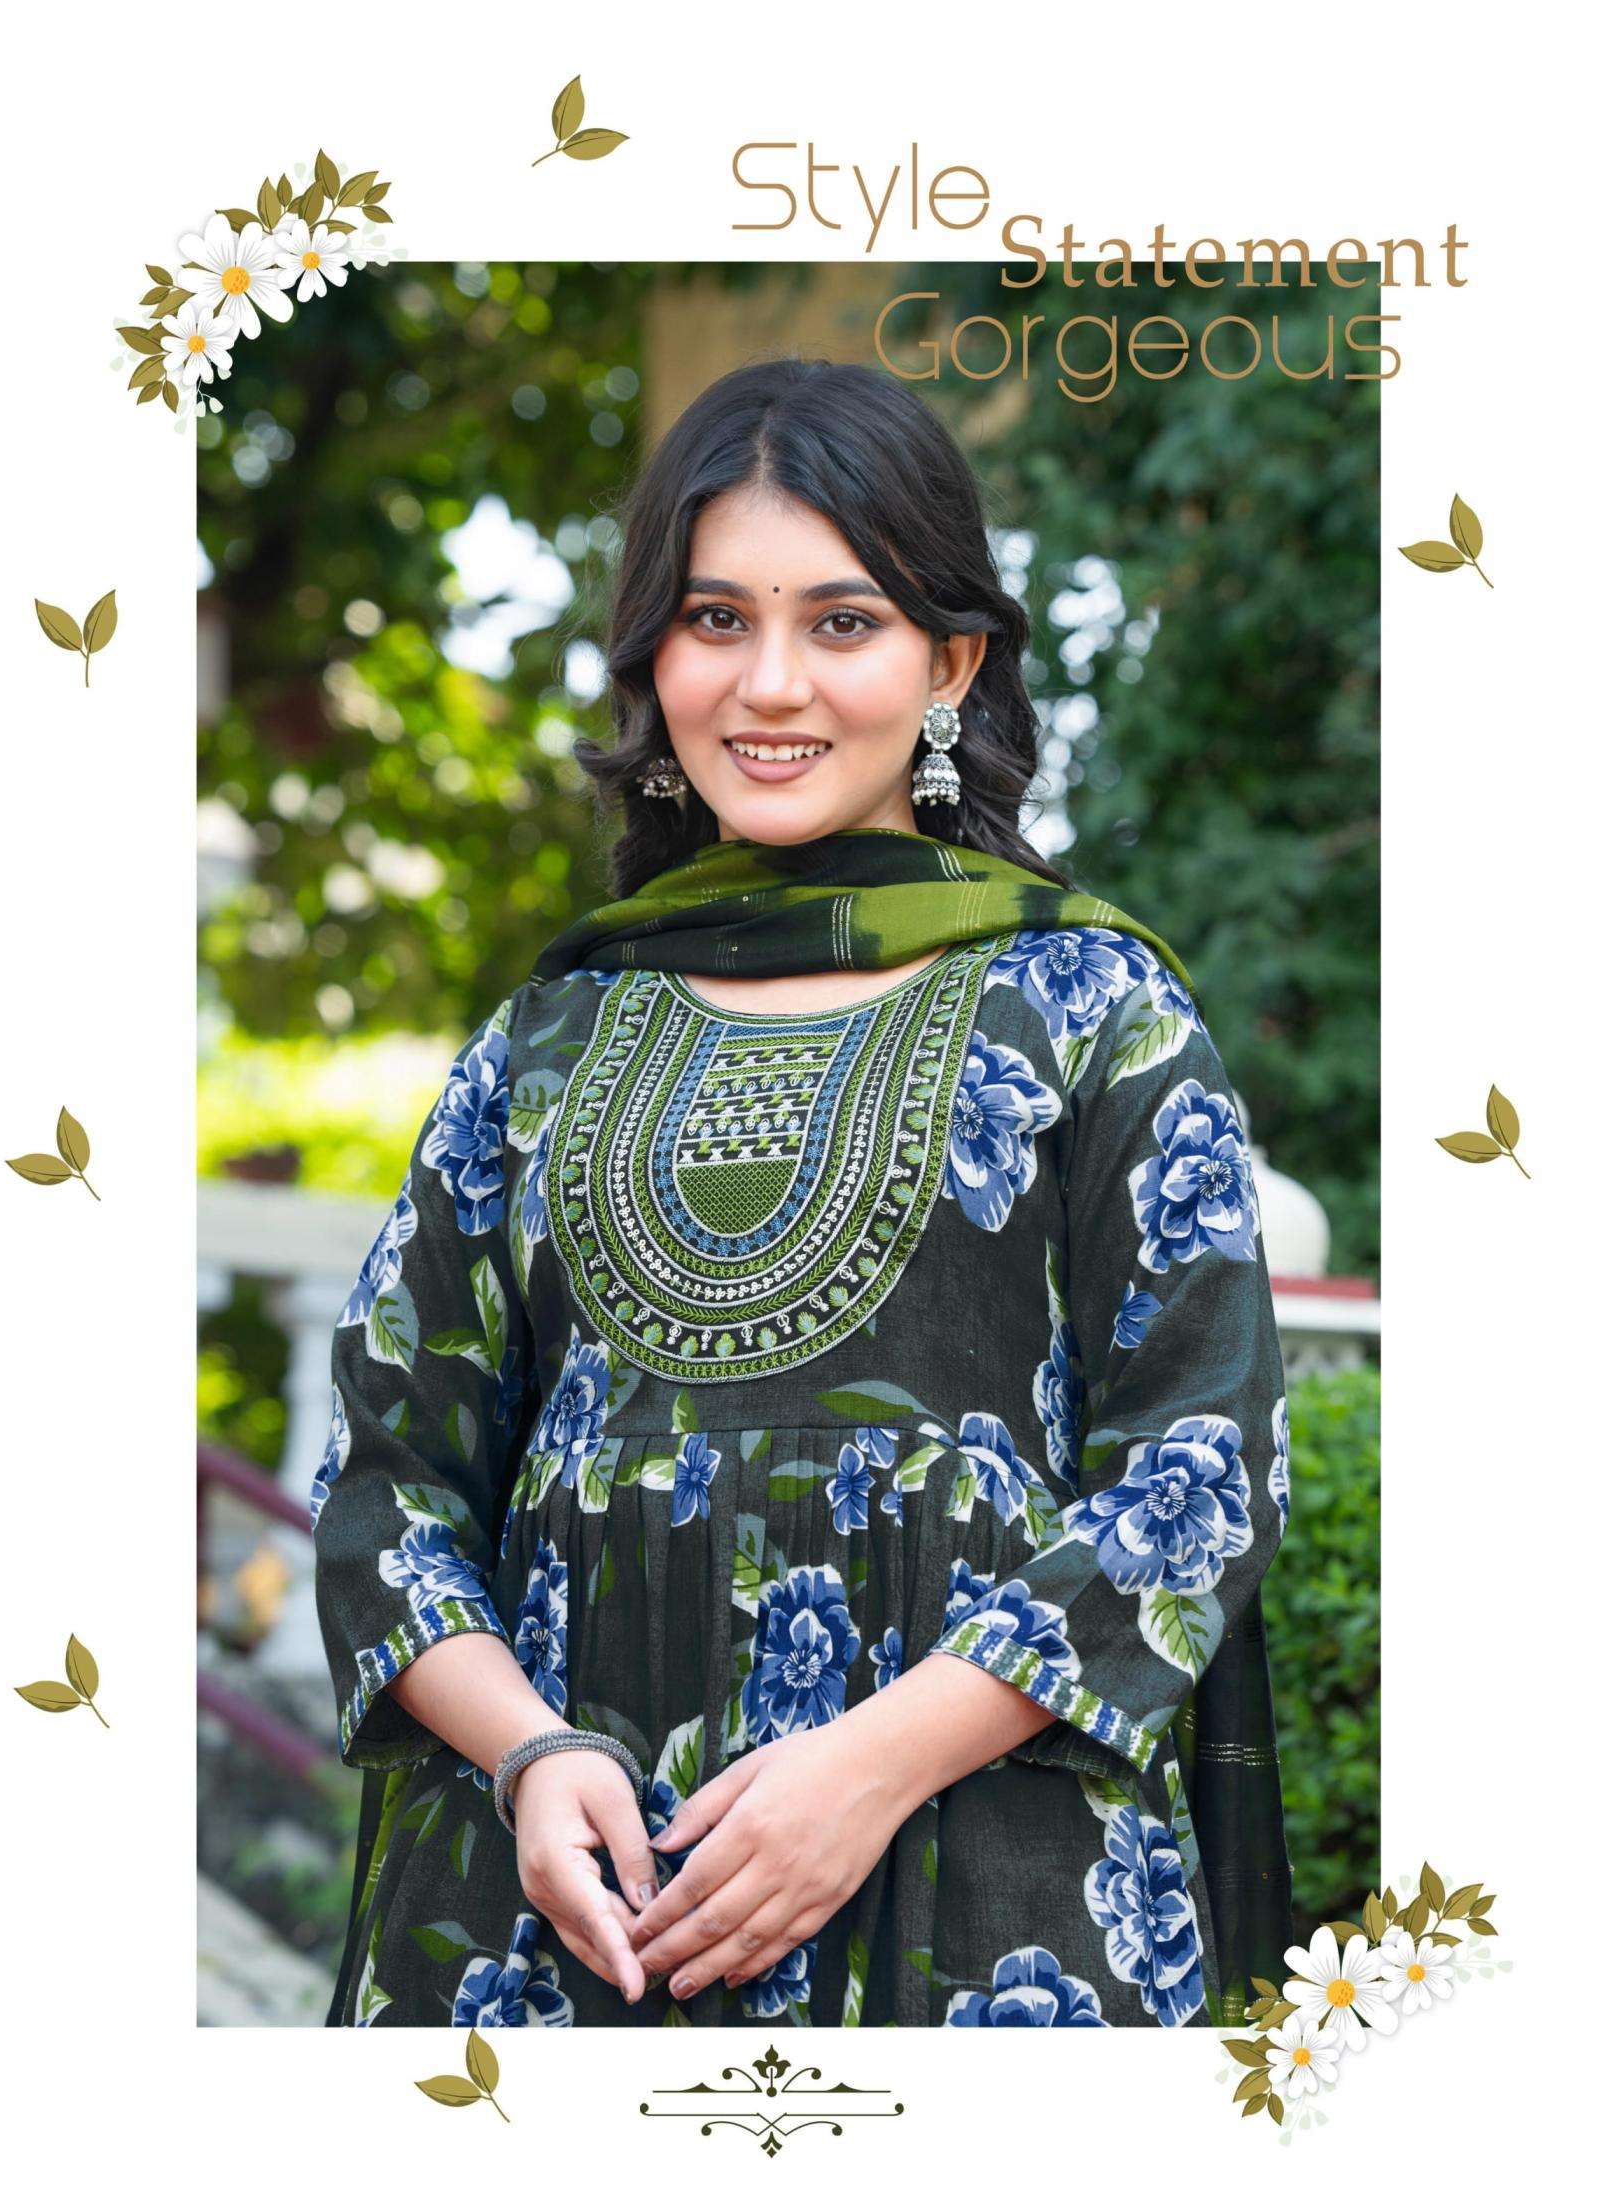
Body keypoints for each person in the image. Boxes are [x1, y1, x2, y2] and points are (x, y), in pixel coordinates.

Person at [312, 355, 1293, 2030]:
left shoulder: (1090, 1012)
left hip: (983, 1908)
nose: (770, 686)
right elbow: (386, 1482)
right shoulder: (547, 1038)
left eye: (844, 622)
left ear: (950, 662)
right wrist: (531, 1757)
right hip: (566, 1913)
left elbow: (1198, 1474)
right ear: (654, 651)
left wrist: (864, 1773)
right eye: (716, 619)